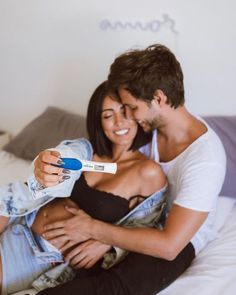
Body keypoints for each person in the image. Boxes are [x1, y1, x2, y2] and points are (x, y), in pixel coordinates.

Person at [36, 44, 226, 295]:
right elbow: (91, 157)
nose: (130, 118)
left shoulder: (205, 159)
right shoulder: (146, 132)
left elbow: (169, 244)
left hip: (175, 241)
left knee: (114, 288)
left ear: (158, 98)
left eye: (132, 108)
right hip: (130, 222)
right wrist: (45, 162)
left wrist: (97, 232)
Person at [0, 81, 166, 294]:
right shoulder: (85, 149)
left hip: (40, 253)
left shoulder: (148, 173)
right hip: (17, 215)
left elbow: (145, 229)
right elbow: (64, 155)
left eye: (125, 112)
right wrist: (48, 163)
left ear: (137, 114)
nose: (118, 122)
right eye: (108, 115)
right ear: (99, 121)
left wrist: (106, 242)